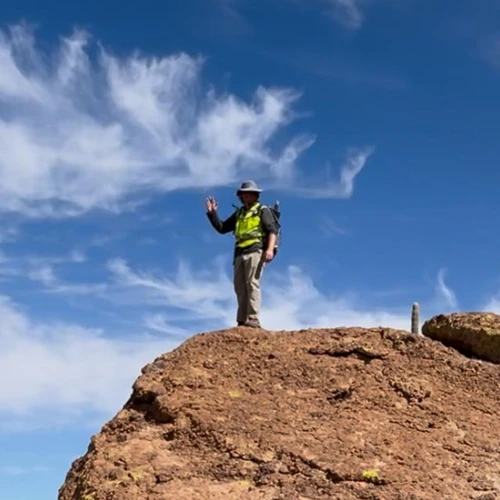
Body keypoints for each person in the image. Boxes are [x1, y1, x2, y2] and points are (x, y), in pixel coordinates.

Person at [206, 180, 278, 328]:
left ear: (255, 195)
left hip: (256, 249)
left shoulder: (262, 210)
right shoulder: (240, 213)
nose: (246, 196)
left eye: (250, 194)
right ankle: (242, 320)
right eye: (244, 194)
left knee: (252, 283)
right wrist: (212, 213)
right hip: (239, 252)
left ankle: (253, 318)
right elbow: (222, 227)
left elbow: (272, 230)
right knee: (239, 287)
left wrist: (269, 250)